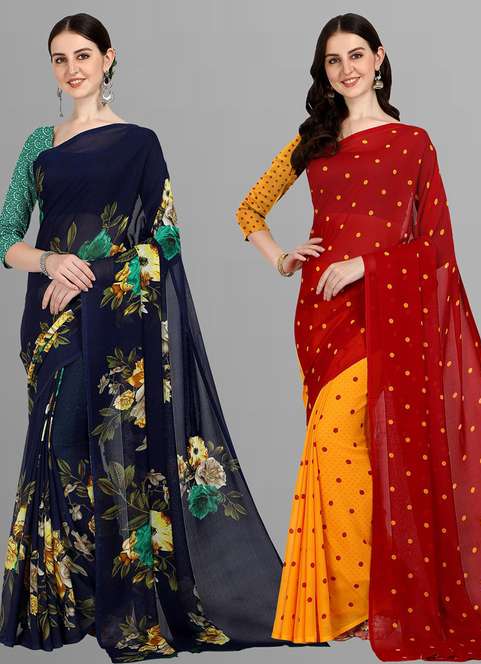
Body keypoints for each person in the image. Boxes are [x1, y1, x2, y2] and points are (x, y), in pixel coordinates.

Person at [0, 12, 326, 660]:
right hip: (50, 319)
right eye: (60, 59)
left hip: (114, 317)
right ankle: (66, 601)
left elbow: (165, 240)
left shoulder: (140, 144)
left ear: (108, 58)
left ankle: (121, 604)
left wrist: (91, 271)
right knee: (56, 448)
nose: (72, 69)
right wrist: (49, 261)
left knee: (113, 454)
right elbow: (7, 237)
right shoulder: (40, 142)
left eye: (83, 55)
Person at [235, 12, 481, 661]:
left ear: (379, 58)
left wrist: (366, 266)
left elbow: (436, 249)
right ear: (323, 71)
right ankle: (356, 608)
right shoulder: (314, 140)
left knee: (371, 451)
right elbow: (250, 209)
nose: (347, 69)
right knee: (338, 452)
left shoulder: (413, 142)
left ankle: (378, 602)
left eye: (356, 55)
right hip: (322, 317)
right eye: (334, 60)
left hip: (387, 312)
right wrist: (281, 258)